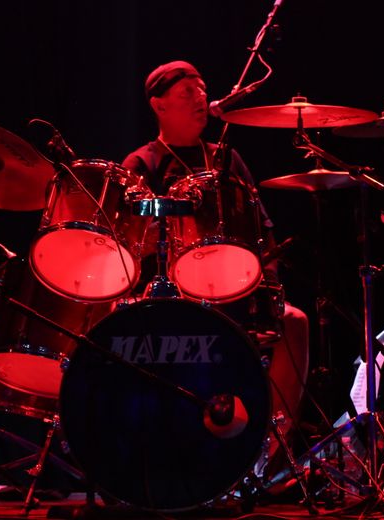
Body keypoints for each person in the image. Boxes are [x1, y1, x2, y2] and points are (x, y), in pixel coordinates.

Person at [121, 60, 309, 473]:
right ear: (159, 105)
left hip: (234, 288)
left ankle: (270, 455)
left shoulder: (226, 159)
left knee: (294, 321)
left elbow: (261, 228)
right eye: (187, 92)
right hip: (173, 293)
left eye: (203, 89)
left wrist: (269, 282)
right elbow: (128, 244)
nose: (201, 98)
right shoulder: (142, 164)